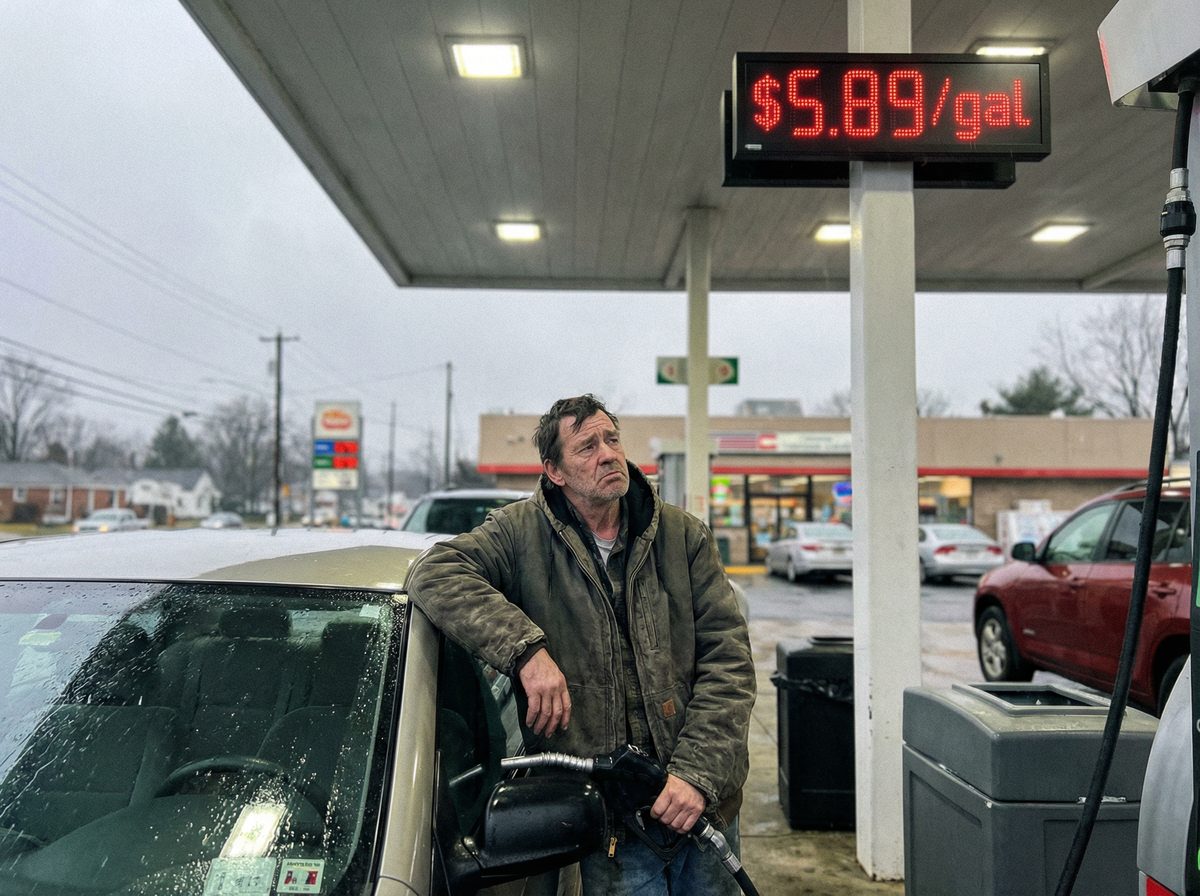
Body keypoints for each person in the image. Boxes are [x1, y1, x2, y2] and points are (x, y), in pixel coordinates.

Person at [406, 393, 756, 895]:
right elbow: (434, 573)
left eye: (612, 439)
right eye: (587, 447)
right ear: (555, 471)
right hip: (612, 825)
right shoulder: (520, 534)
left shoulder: (683, 537)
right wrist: (525, 651)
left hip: (704, 808)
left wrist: (696, 776)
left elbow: (730, 666)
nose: (608, 454)